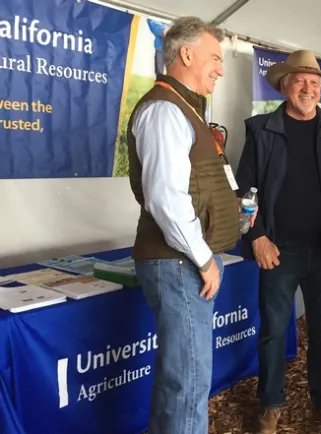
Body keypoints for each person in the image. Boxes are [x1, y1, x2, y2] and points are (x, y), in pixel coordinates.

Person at [127, 17, 245, 434]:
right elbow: (165, 199)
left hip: (183, 263)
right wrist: (204, 258)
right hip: (179, 264)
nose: (220, 68)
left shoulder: (184, 108)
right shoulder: (164, 111)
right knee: (189, 382)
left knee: (180, 379)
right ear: (187, 54)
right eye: (215, 57)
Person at [235, 49, 321, 434]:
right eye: (301, 81)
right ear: (285, 86)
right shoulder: (261, 129)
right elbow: (246, 192)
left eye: (315, 82)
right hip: (277, 250)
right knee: (273, 330)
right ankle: (270, 403)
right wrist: (257, 237)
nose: (308, 88)